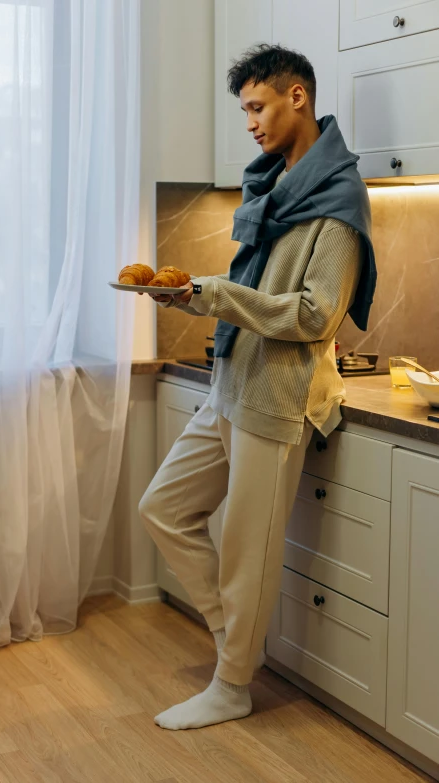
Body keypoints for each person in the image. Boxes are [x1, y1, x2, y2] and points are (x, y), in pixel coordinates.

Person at [138, 43, 376, 731]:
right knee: (163, 506)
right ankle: (229, 638)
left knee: (247, 551)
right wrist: (195, 296)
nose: (250, 123)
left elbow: (314, 314)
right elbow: (252, 290)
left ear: (296, 96)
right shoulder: (273, 182)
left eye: (257, 106)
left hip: (278, 395)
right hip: (231, 381)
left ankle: (232, 682)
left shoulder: (337, 198)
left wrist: (212, 295)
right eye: (244, 110)